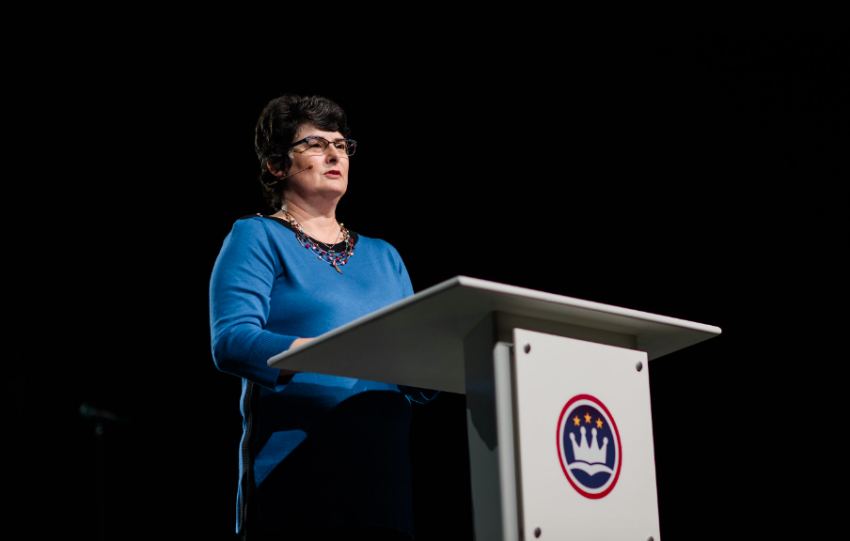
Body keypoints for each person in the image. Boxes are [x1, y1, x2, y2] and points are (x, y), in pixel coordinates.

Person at [209, 94, 435, 540]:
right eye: (315, 144)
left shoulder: (385, 256)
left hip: (383, 490)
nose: (335, 154)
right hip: (298, 481)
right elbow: (231, 340)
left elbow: (420, 372)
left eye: (342, 145)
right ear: (276, 166)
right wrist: (318, 354)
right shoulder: (257, 236)